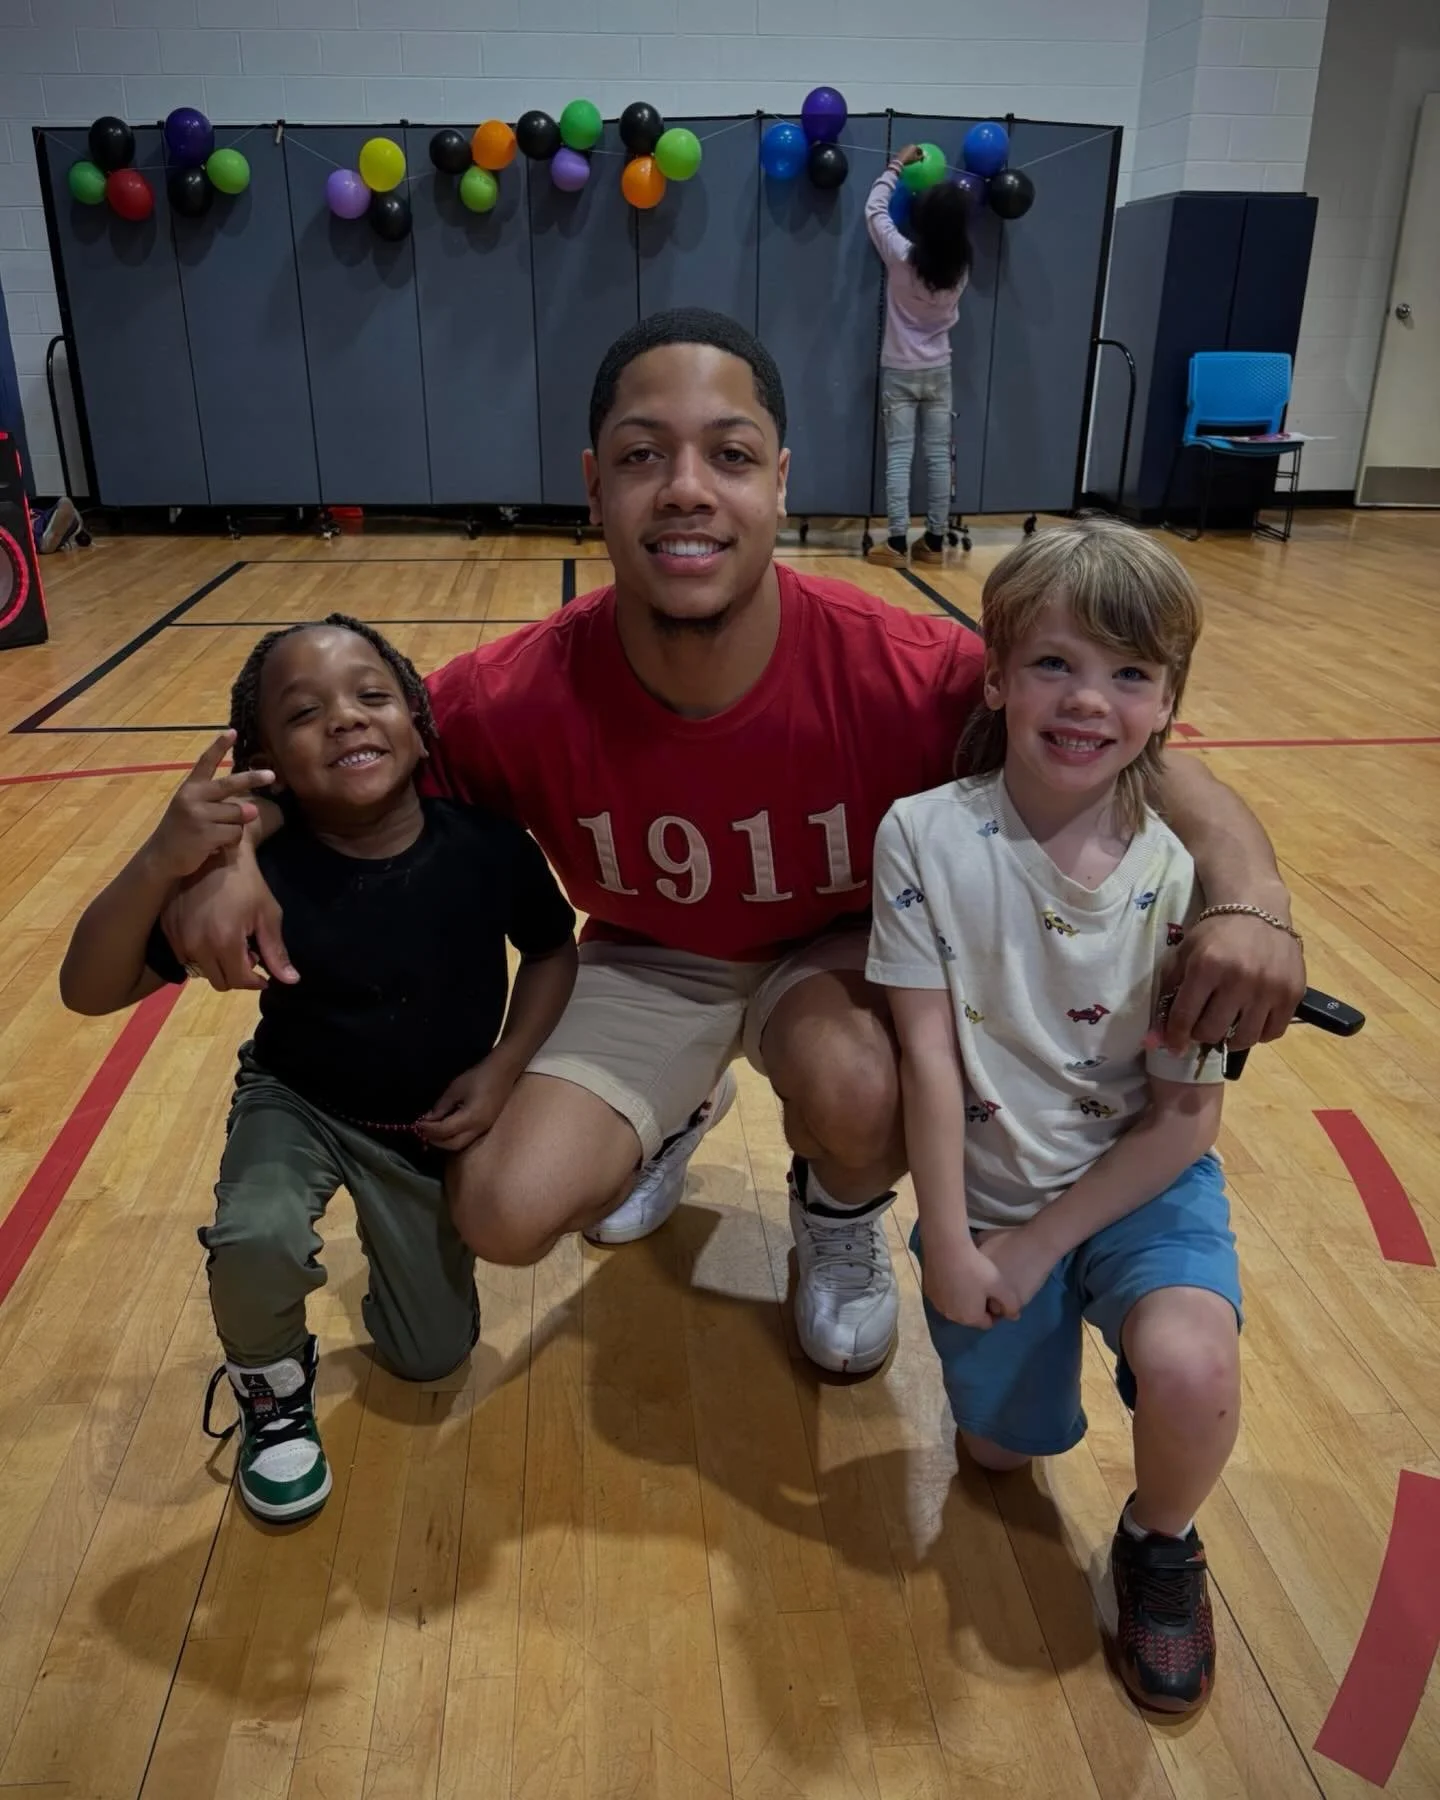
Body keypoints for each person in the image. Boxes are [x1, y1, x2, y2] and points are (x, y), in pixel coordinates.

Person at [162, 309, 1305, 1383]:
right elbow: (332, 767)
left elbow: (1150, 764)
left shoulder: (900, 669)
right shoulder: (517, 694)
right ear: (593, 487)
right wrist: (232, 854)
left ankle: (839, 1214)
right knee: (501, 1211)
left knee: (862, 1086)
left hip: (840, 956)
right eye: (645, 456)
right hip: (649, 959)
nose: (688, 492)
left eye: (732, 455)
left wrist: (1250, 898)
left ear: (781, 482)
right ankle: (675, 1110)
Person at [869, 518, 1266, 1714]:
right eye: (1055, 664)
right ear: (993, 677)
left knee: (1193, 1369)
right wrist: (949, 1236)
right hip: (989, 1187)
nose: (1089, 699)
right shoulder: (925, 837)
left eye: (1130, 674)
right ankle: (1019, 1395)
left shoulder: (1194, 882)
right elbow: (927, 1058)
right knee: (1002, 1453)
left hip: (1143, 1183)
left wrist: (1045, 1247)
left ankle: (1160, 1542)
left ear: (1168, 705)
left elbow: (1185, 1120)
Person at [59, 616, 576, 1523]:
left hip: (420, 1130)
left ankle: (397, 1264)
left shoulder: (487, 847)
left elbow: (552, 952)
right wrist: (161, 860)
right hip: (296, 1098)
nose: (345, 719)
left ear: (419, 721)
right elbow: (86, 989)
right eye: (305, 713)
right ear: (262, 759)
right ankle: (269, 1382)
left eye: (372, 697)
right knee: (256, 1237)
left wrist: (503, 1069)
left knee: (431, 1355)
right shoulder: (258, 875)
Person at [864, 146, 972, 569]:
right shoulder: (962, 269)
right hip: (938, 369)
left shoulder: (902, 256)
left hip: (899, 369)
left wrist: (896, 164)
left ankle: (894, 543)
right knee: (937, 456)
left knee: (899, 455)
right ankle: (933, 541)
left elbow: (874, 209)